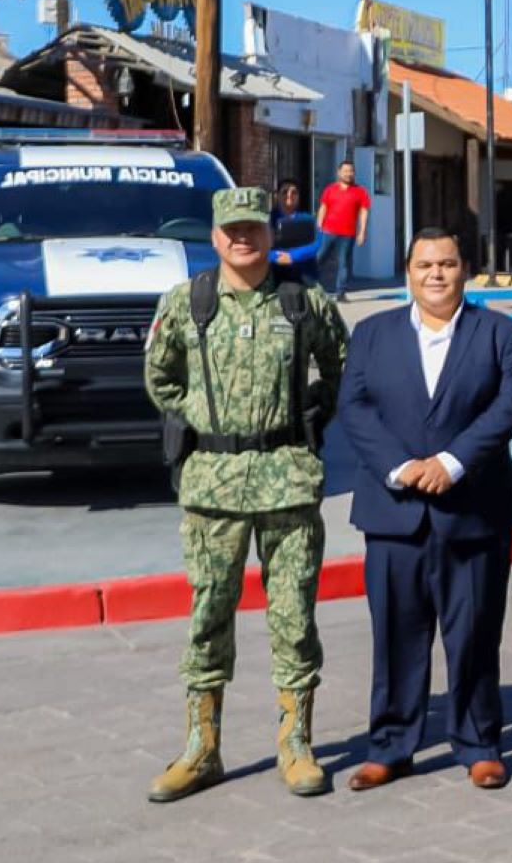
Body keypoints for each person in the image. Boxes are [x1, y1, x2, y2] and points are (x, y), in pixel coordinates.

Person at [142, 187, 349, 803]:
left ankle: (296, 744)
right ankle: (201, 748)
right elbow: (159, 376)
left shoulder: (304, 301)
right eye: (231, 229)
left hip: (287, 479)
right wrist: (203, 422)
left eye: (254, 228)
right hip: (214, 486)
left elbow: (339, 365)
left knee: (293, 617)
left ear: (270, 233)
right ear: (214, 237)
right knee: (208, 616)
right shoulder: (187, 303)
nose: (243, 238)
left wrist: (309, 420)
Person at [338, 229, 512, 793]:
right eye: (425, 264)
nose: (436, 274)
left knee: (473, 632)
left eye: (447, 263)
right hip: (394, 508)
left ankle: (479, 743)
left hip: (474, 508)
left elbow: (510, 404)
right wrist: (400, 468)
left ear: (465, 270)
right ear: (408, 272)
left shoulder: (501, 333)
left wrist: (451, 462)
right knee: (396, 635)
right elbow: (354, 407)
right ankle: (392, 746)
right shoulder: (372, 335)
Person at [316, 159, 371, 300]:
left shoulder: (360, 192)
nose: (349, 174)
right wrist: (319, 226)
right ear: (339, 172)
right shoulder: (330, 189)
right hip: (328, 231)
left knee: (344, 263)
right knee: (318, 258)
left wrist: (362, 231)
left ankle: (340, 293)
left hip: (348, 234)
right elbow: (323, 207)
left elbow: (364, 212)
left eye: (351, 171)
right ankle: (309, 285)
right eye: (346, 171)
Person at [271, 178, 321, 284]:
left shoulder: (307, 219)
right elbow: (260, 248)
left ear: (298, 197)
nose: (289, 195)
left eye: (294, 192)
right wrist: (275, 256)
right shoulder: (268, 219)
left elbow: (317, 243)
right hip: (275, 274)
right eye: (284, 192)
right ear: (277, 196)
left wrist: (293, 256)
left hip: (304, 274)